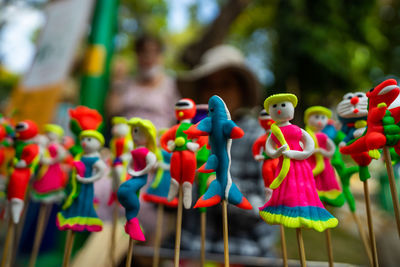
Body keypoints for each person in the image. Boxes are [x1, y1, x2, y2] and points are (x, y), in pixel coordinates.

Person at [176, 44, 276, 257]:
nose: (216, 92)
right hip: (190, 249)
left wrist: (225, 190)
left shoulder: (259, 137)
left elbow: (269, 206)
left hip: (243, 253)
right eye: (209, 85)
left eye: (225, 84)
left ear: (242, 91)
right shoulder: (191, 136)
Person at [107, 35, 180, 129]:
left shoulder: (171, 84)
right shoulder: (126, 82)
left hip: (158, 141)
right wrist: (117, 80)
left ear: (161, 56)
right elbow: (111, 113)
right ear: (137, 55)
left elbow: (177, 119)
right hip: (125, 140)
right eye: (143, 52)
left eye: (154, 52)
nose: (148, 57)